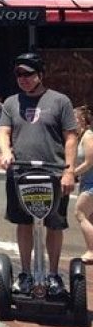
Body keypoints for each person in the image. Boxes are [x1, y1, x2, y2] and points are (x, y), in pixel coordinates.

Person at [0, 53, 77, 296]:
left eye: (28, 74)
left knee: (54, 224)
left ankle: (53, 275)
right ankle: (25, 274)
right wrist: (6, 151)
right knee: (23, 223)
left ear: (40, 74)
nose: (23, 79)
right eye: (19, 74)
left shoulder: (60, 101)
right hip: (20, 172)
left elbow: (70, 138)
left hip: (53, 172)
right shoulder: (11, 103)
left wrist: (69, 170)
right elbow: (3, 132)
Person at [73, 105, 93, 264]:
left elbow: (88, 162)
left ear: (83, 121)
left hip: (91, 183)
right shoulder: (80, 137)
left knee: (80, 213)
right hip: (86, 182)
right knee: (90, 217)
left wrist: (71, 174)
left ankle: (92, 251)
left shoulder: (88, 136)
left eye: (75, 119)